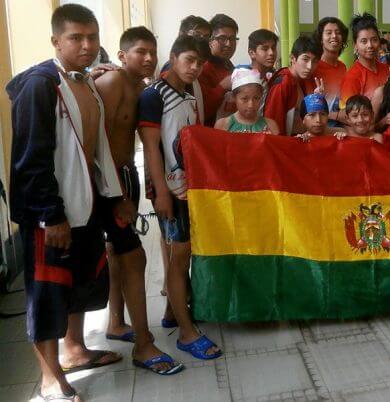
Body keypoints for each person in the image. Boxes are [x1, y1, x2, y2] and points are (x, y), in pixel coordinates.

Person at [6, 4, 132, 400]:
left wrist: (115, 198)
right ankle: (49, 377)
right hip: (51, 214)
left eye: (92, 37)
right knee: (47, 292)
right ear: (55, 41)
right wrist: (50, 214)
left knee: (81, 281)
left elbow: (94, 151)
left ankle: (75, 350)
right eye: (76, 38)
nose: (86, 44)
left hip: (87, 204)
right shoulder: (40, 85)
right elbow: (31, 158)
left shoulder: (87, 81)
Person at [94, 26, 184, 375]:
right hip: (108, 182)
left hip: (124, 178)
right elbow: (93, 142)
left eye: (152, 52)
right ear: (122, 55)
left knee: (118, 254)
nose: (148, 58)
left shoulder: (142, 87)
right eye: (140, 52)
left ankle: (116, 322)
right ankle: (144, 345)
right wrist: (116, 195)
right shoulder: (114, 82)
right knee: (134, 257)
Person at [138, 35, 222, 360]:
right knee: (180, 254)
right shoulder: (153, 96)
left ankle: (174, 314)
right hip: (168, 192)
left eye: (199, 63)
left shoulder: (188, 95)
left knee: (184, 251)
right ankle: (187, 334)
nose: (194, 67)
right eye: (189, 60)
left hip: (188, 188)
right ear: (172, 57)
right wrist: (160, 193)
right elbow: (151, 149)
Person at [264, 36, 323, 135]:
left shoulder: (302, 80)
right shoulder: (283, 82)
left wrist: (317, 99)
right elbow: (272, 124)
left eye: (315, 61)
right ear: (293, 58)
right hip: (285, 145)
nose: (310, 66)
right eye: (305, 59)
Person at [339, 13, 390, 108]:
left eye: (374, 40)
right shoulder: (352, 77)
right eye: (364, 41)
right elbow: (349, 115)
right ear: (355, 45)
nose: (370, 45)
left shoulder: (387, 69)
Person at [307, 17, 349, 126]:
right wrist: (335, 116)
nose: (334, 36)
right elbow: (307, 108)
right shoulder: (313, 68)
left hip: (341, 126)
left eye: (338, 32)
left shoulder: (342, 67)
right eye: (328, 33)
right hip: (320, 127)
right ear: (320, 39)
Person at [199, 13, 239, 126]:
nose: (228, 44)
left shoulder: (228, 65)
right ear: (210, 41)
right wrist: (222, 87)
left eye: (232, 39)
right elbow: (201, 112)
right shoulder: (202, 68)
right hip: (212, 136)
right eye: (222, 38)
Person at [215, 68, 279, 134]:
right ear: (234, 97)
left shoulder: (271, 126)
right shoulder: (223, 126)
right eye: (244, 99)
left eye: (256, 98)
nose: (251, 105)